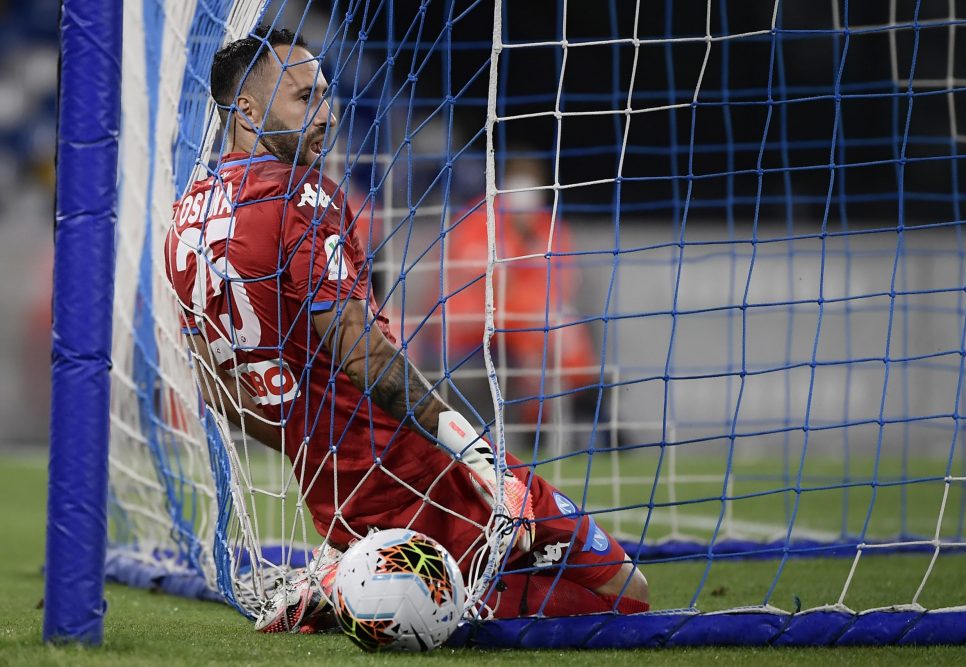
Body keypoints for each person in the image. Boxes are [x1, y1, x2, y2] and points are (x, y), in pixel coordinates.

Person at [165, 26, 648, 633]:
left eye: (325, 92)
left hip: (337, 488)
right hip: (414, 466)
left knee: (555, 586)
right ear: (248, 111)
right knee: (625, 596)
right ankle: (350, 588)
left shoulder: (188, 215)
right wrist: (481, 462)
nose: (326, 111)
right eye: (303, 97)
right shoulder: (302, 198)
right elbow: (364, 358)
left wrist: (316, 450)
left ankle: (357, 577)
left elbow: (217, 390)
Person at [442, 152, 603, 440]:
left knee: (556, 331)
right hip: (476, 323)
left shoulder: (548, 225)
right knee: (545, 332)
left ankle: (567, 414)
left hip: (529, 324)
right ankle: (585, 409)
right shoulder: (478, 217)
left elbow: (564, 282)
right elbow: (474, 281)